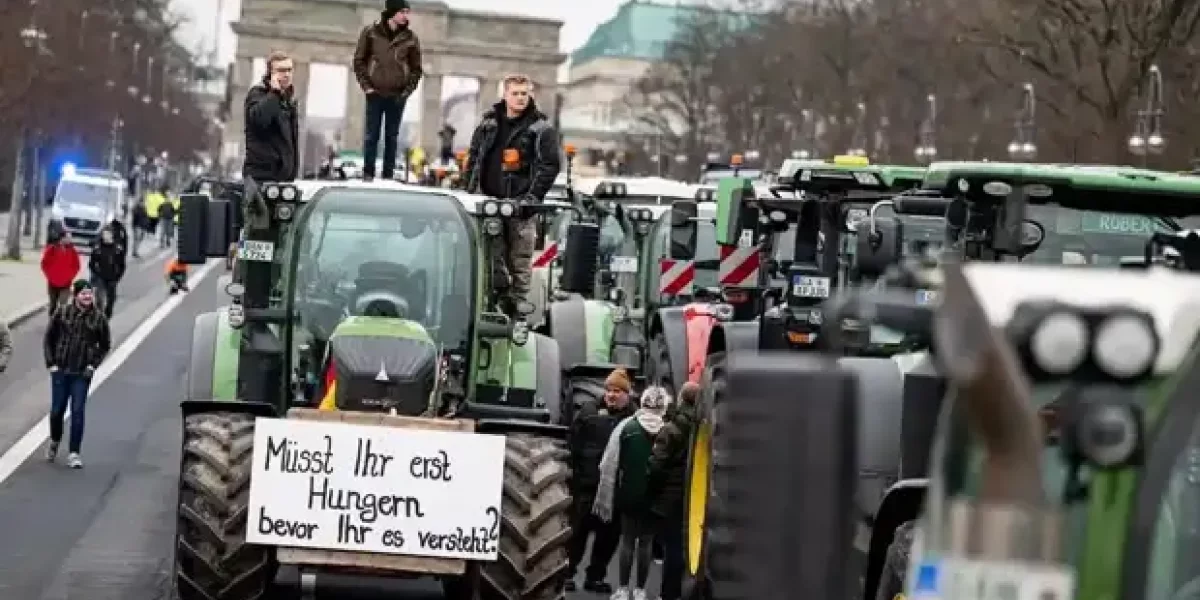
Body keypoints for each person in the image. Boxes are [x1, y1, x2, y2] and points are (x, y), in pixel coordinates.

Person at [464, 74, 561, 315]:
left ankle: (516, 309)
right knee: (487, 259)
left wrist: (531, 199)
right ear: (504, 95)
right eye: (515, 93)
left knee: (519, 261)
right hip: (487, 204)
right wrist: (467, 191)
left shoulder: (541, 129)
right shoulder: (487, 125)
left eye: (524, 93)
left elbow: (550, 166)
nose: (520, 98)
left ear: (530, 95)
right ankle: (489, 302)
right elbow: (474, 159)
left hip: (520, 207)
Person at [593, 386, 671, 600]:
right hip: (654, 496)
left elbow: (609, 463)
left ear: (643, 402)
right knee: (646, 543)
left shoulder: (626, 427)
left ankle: (622, 589)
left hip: (628, 493)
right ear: (664, 406)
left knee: (627, 541)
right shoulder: (667, 429)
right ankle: (640, 590)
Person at [567, 367, 639, 593]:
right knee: (577, 533)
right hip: (587, 485)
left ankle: (595, 577)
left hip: (615, 491)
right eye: (609, 390)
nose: (611, 394)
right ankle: (567, 573)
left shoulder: (633, 420)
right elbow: (573, 444)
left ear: (627, 394)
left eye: (617, 391)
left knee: (608, 538)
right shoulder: (588, 412)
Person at [43, 279, 111, 469]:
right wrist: (51, 364)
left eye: (89, 293)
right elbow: (49, 338)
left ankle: (74, 452)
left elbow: (104, 345)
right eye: (83, 293)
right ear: (76, 295)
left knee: (78, 411)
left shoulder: (98, 318)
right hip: (61, 370)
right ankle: (55, 440)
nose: (87, 296)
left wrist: (93, 365)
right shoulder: (62, 313)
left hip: (81, 373)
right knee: (57, 411)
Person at [352, 0, 423, 181]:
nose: (406, 16)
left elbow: (416, 69)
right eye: (403, 11)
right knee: (371, 135)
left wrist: (406, 92)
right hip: (374, 93)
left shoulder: (411, 38)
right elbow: (359, 61)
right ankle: (368, 174)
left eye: (408, 12)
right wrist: (367, 87)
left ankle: (388, 176)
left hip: (397, 95)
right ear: (392, 12)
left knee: (392, 137)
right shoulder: (370, 33)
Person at [647, 381, 701, 600]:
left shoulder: (671, 429)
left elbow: (657, 464)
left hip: (670, 497)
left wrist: (653, 487)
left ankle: (668, 594)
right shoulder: (701, 428)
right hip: (694, 497)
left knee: (673, 548)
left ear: (680, 399)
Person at [244, 50, 301, 191]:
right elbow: (259, 121)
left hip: (283, 181)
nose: (287, 74)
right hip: (260, 179)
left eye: (289, 70)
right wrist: (274, 93)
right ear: (270, 74)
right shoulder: (257, 94)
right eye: (281, 70)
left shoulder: (288, 102)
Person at [89, 225, 126, 319]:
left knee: (111, 300)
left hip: (112, 277)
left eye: (107, 234)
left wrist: (118, 276)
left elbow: (122, 265)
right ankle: (99, 317)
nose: (105, 236)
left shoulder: (118, 249)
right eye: (104, 234)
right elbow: (92, 263)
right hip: (100, 277)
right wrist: (96, 273)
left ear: (111, 235)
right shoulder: (97, 248)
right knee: (99, 299)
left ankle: (108, 314)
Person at [41, 232, 81, 314]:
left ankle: (61, 322)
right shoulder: (52, 249)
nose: (70, 239)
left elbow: (77, 266)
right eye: (68, 237)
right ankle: (52, 321)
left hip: (66, 283)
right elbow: (44, 263)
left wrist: (70, 276)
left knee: (63, 304)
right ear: (62, 238)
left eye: (71, 238)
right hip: (52, 282)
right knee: (53, 304)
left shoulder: (72, 251)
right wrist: (49, 275)